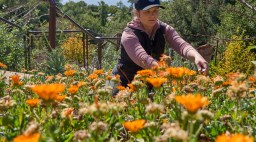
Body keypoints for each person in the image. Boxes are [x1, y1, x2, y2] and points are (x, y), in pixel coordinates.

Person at [111, 0, 208, 95]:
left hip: (153, 80)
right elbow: (143, 58)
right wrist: (169, 73)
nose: (152, 15)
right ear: (137, 13)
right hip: (124, 80)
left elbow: (181, 45)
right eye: (147, 11)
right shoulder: (129, 34)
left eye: (155, 11)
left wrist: (196, 56)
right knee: (114, 106)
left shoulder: (163, 28)